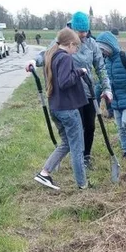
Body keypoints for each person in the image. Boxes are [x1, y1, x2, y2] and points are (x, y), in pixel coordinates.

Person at [28, 11, 112, 170]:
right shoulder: (62, 41)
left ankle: (86, 156)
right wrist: (34, 61)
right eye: (81, 31)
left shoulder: (91, 43)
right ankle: (77, 159)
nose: (84, 34)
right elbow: (46, 55)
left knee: (90, 126)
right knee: (76, 128)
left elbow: (101, 68)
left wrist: (107, 88)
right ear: (73, 29)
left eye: (86, 31)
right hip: (70, 95)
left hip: (88, 93)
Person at [31, 28, 89, 191]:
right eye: (76, 47)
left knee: (66, 143)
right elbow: (65, 82)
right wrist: (80, 72)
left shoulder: (52, 55)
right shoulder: (65, 58)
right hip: (68, 109)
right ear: (70, 44)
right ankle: (82, 184)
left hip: (56, 108)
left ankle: (44, 173)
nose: (76, 50)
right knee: (78, 148)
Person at [96, 32, 126, 158]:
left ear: (110, 46)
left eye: (104, 48)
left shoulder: (125, 58)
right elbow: (103, 80)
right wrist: (101, 94)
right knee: (120, 128)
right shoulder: (106, 62)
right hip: (115, 101)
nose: (102, 52)